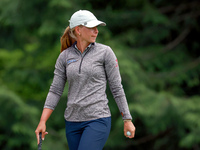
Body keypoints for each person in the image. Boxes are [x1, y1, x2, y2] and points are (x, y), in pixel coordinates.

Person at [35, 10, 136, 150]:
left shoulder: (105, 52)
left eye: (97, 28)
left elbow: (117, 88)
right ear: (78, 30)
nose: (96, 31)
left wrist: (127, 119)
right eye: (92, 28)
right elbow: (55, 90)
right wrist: (42, 121)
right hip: (72, 122)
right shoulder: (64, 56)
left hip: (98, 119)